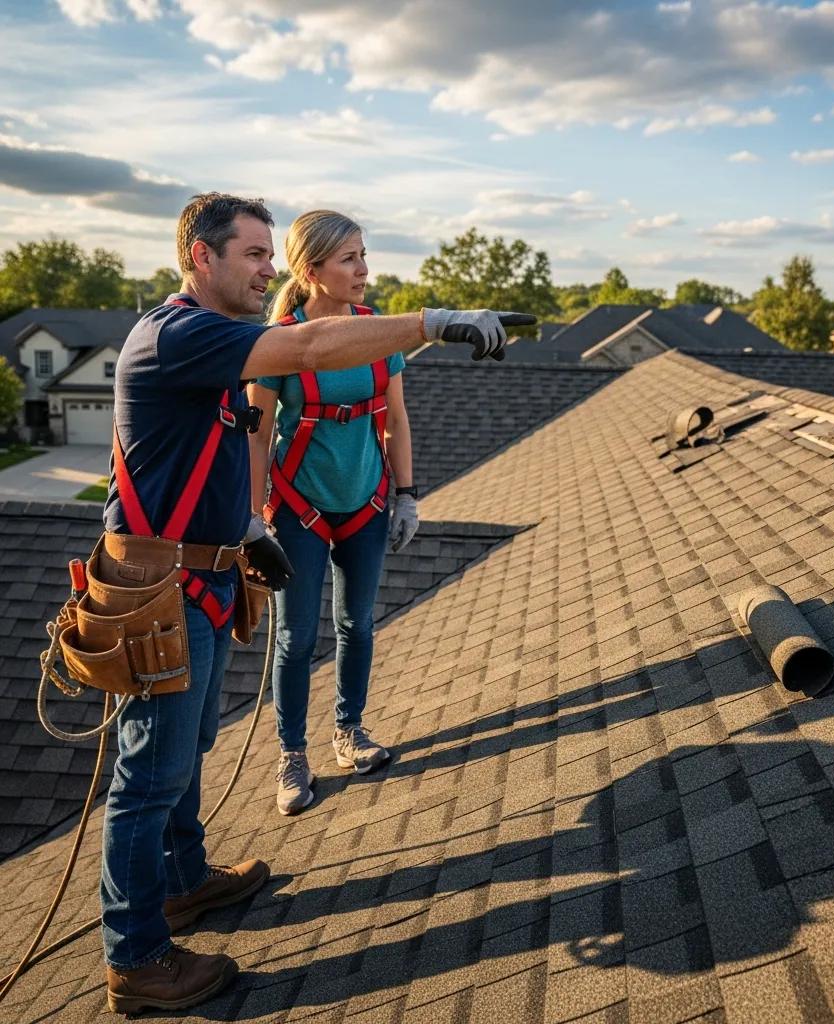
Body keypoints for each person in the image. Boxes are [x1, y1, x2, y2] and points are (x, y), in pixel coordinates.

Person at [99, 191, 529, 1015]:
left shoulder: (211, 340)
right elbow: (310, 344)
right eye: (254, 254)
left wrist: (244, 526)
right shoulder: (177, 334)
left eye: (271, 254)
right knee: (148, 777)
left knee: (184, 755)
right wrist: (434, 322)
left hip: (201, 577)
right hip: (162, 589)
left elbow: (229, 440)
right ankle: (137, 958)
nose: (270, 270)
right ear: (202, 257)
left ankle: (183, 882)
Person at [247, 210, 416, 815]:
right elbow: (257, 436)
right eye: (349, 259)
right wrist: (253, 518)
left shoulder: (378, 332)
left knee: (358, 625)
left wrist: (406, 493)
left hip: (366, 502)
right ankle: (292, 754)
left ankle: (350, 730)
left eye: (363, 255)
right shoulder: (280, 344)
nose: (363, 269)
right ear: (312, 270)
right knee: (296, 638)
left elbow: (395, 419)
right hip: (300, 508)